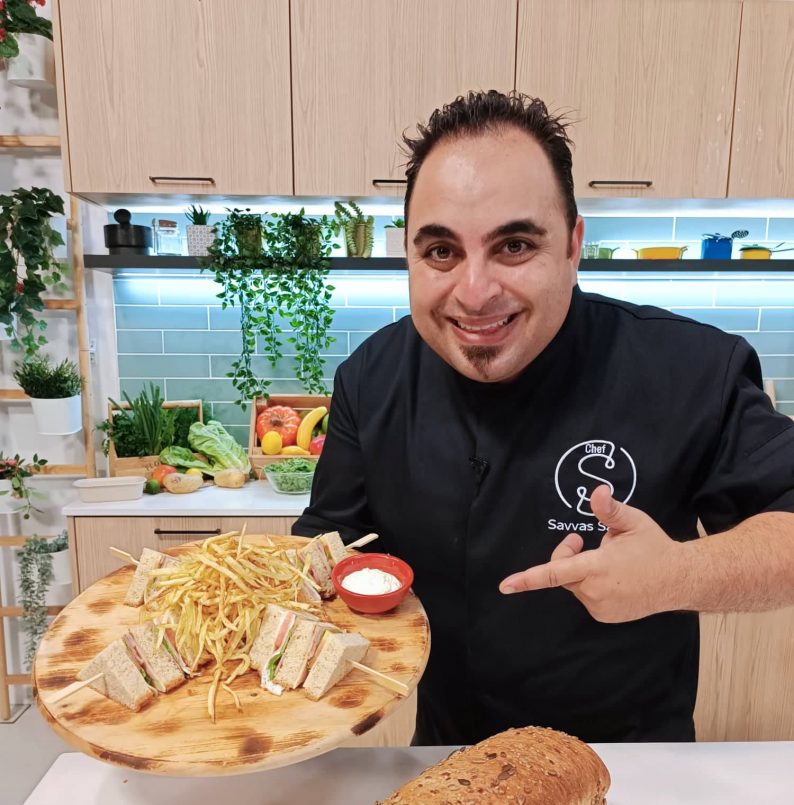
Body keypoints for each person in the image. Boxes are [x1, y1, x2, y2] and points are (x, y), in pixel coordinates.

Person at [292, 90, 794, 745]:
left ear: (573, 245)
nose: (475, 292)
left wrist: (677, 575)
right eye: (441, 251)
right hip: (445, 760)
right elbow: (327, 552)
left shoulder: (691, 368)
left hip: (629, 766)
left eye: (514, 245)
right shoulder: (371, 378)